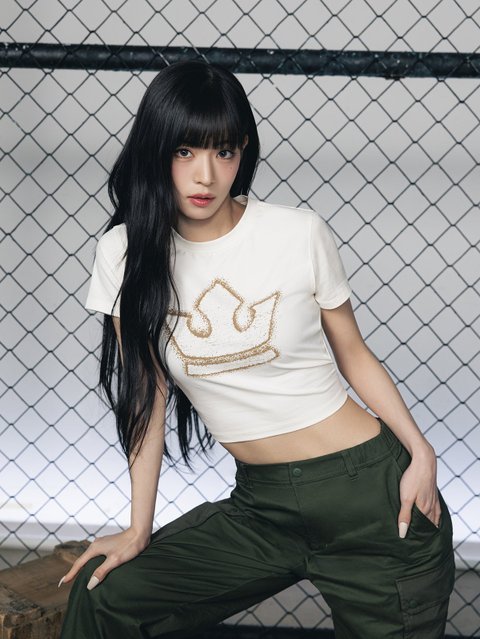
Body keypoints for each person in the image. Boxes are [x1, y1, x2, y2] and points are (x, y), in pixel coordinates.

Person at [59, 60, 455, 639]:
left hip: (371, 498)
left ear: (242, 152)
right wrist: (138, 527)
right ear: (156, 150)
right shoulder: (124, 253)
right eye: (185, 151)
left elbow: (353, 353)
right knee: (105, 597)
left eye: (223, 152)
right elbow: (147, 394)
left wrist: (421, 451)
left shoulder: (297, 233)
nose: (205, 175)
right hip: (263, 509)